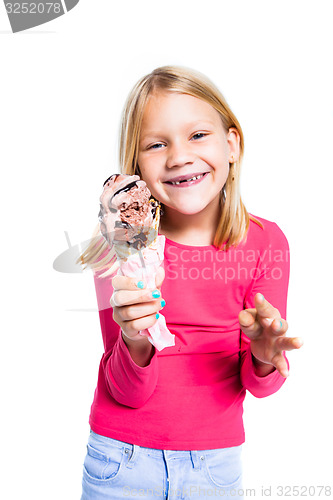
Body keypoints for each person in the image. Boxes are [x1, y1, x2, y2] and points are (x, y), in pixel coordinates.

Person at [78, 66, 303, 499]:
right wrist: (134, 338)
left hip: (213, 465)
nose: (179, 155)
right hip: (120, 459)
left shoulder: (266, 242)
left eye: (198, 135)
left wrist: (263, 354)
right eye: (157, 144)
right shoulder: (121, 245)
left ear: (232, 144)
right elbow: (126, 390)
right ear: (136, 166)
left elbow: (260, 385)